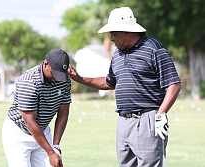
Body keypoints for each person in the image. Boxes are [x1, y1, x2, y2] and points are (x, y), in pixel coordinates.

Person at [68, 7, 181, 167]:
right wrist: (80, 79)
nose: (111, 38)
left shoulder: (154, 48)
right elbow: (109, 82)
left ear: (127, 31)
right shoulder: (118, 54)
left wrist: (161, 114)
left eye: (114, 33)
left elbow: (174, 84)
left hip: (147, 119)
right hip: (123, 121)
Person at [2, 49, 71, 167]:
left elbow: (63, 112)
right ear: (45, 64)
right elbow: (29, 122)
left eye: (60, 74)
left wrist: (55, 146)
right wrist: (50, 153)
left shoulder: (63, 79)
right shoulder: (29, 81)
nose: (57, 78)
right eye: (55, 73)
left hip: (42, 131)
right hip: (19, 134)